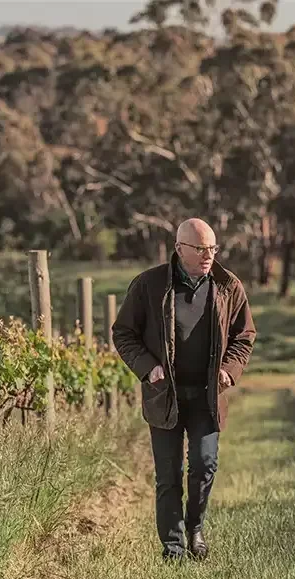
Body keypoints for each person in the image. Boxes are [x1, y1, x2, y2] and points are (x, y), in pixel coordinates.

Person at [111, 218, 256, 561]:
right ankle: (173, 547)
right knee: (168, 474)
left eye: (213, 248)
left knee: (205, 465)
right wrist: (148, 368)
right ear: (179, 249)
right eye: (201, 248)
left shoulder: (228, 286)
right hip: (165, 395)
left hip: (208, 396)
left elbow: (244, 336)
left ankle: (195, 528)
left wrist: (229, 370)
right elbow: (124, 333)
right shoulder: (149, 285)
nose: (209, 255)